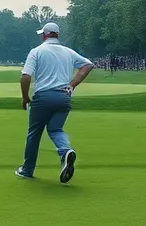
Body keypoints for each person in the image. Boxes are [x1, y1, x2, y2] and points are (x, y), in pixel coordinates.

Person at [16, 22, 93, 182]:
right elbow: (88, 65)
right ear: (56, 35)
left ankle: (27, 170)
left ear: (44, 35)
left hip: (43, 97)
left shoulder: (36, 51)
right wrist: (72, 85)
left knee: (34, 133)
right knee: (56, 129)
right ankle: (65, 152)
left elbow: (25, 76)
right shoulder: (68, 52)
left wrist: (25, 97)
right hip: (63, 98)